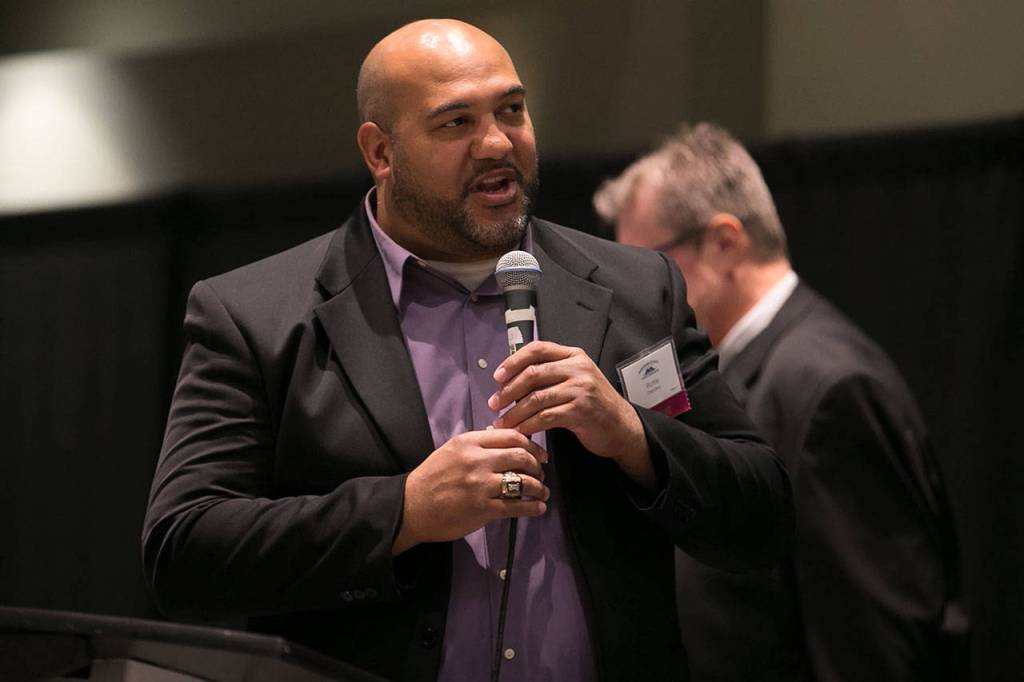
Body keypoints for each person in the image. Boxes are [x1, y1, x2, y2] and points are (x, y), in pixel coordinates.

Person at [141, 21, 792, 682]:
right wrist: (404, 512)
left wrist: (632, 435)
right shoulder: (257, 315)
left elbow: (762, 514)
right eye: (454, 123)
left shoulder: (636, 290)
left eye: (512, 110)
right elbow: (185, 552)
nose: (497, 142)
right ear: (380, 151)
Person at [595, 122, 969, 682]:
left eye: (648, 266)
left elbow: (871, 643)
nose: (637, 291)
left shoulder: (828, 388)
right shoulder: (733, 369)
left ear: (723, 243)